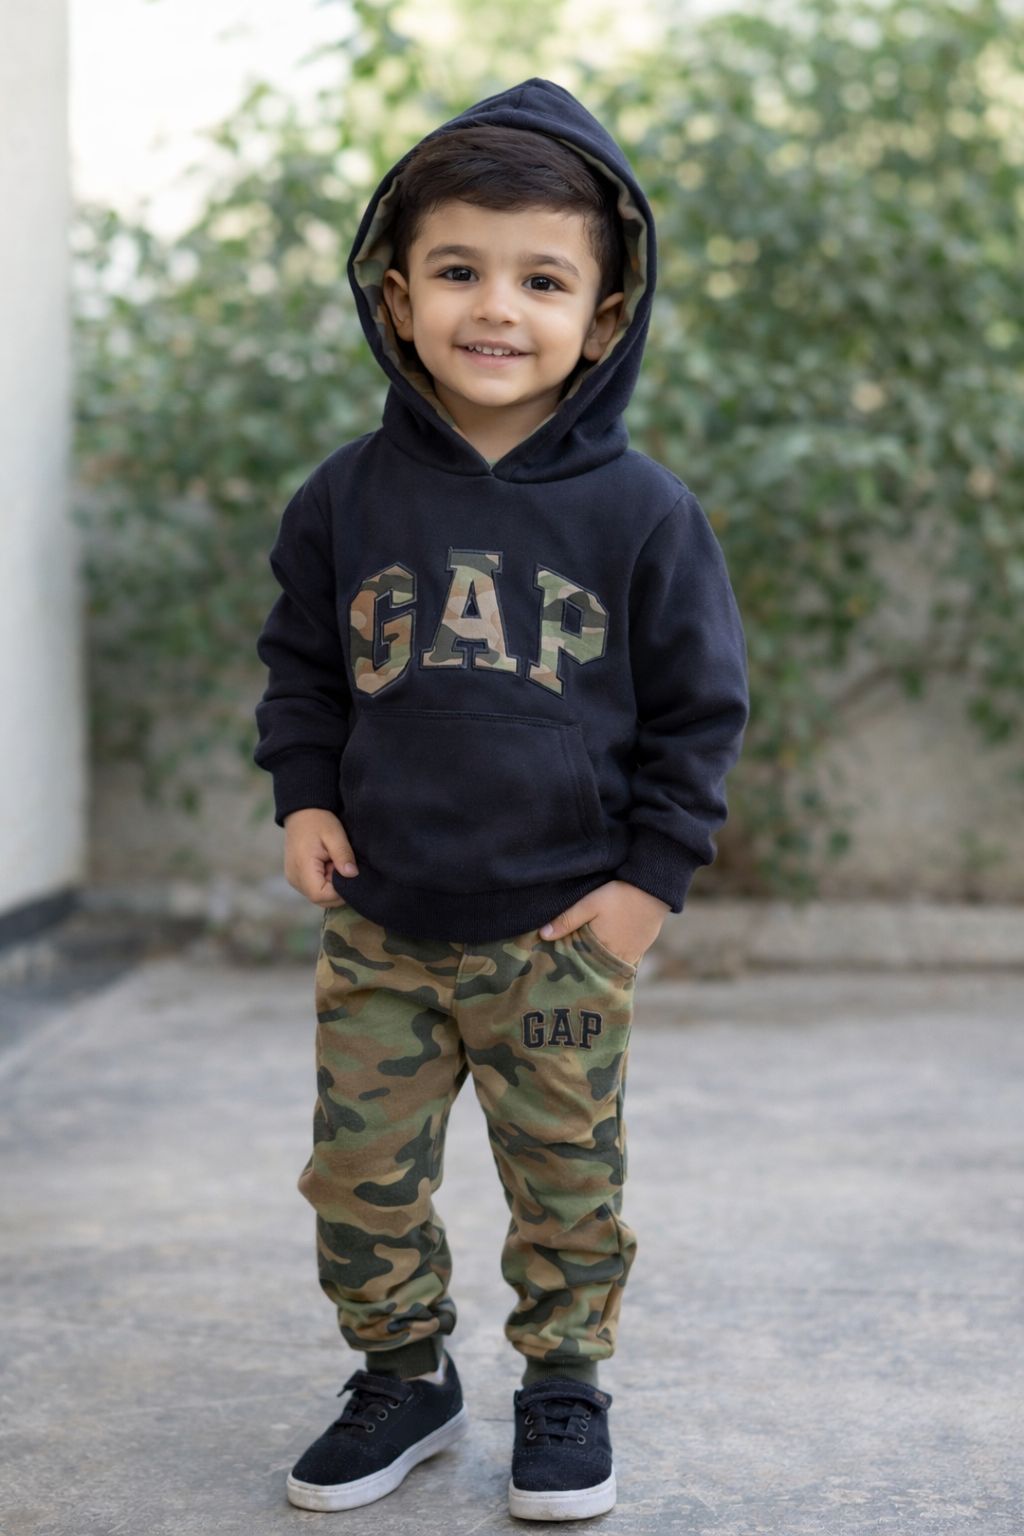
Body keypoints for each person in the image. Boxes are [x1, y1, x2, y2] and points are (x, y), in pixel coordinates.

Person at [252, 76, 749, 1521]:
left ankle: (565, 1385)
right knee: (359, 1177)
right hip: (383, 922)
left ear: (604, 317)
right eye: (459, 269)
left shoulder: (642, 512)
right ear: (396, 295)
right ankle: (403, 1375)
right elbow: (302, 668)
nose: (496, 307)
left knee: (567, 1184)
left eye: (542, 280)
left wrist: (648, 886)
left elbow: (700, 711)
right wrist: (303, 798)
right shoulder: (344, 499)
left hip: (558, 933)